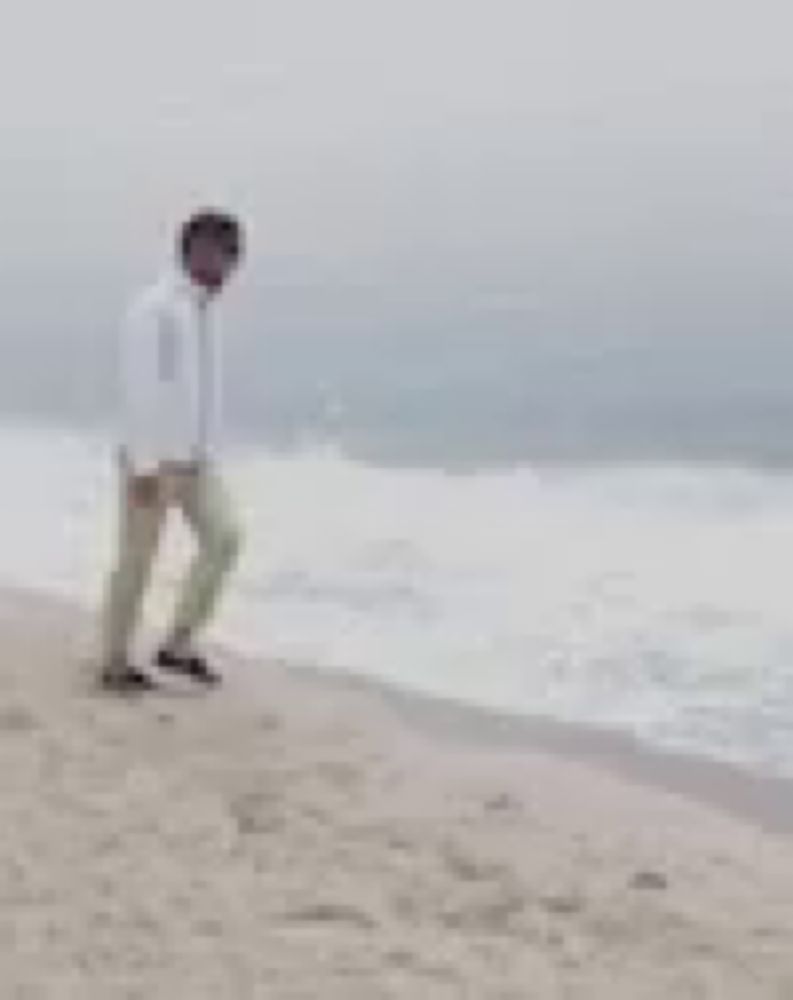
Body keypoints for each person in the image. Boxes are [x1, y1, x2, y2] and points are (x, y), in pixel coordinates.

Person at [99, 210, 245, 693]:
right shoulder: (155, 308)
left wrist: (210, 450)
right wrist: (142, 465)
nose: (219, 261)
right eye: (210, 250)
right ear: (188, 251)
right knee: (137, 561)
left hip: (197, 461)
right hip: (153, 462)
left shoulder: (211, 311)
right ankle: (115, 661)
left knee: (226, 537)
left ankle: (178, 644)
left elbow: (206, 389)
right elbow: (138, 388)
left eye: (228, 253)